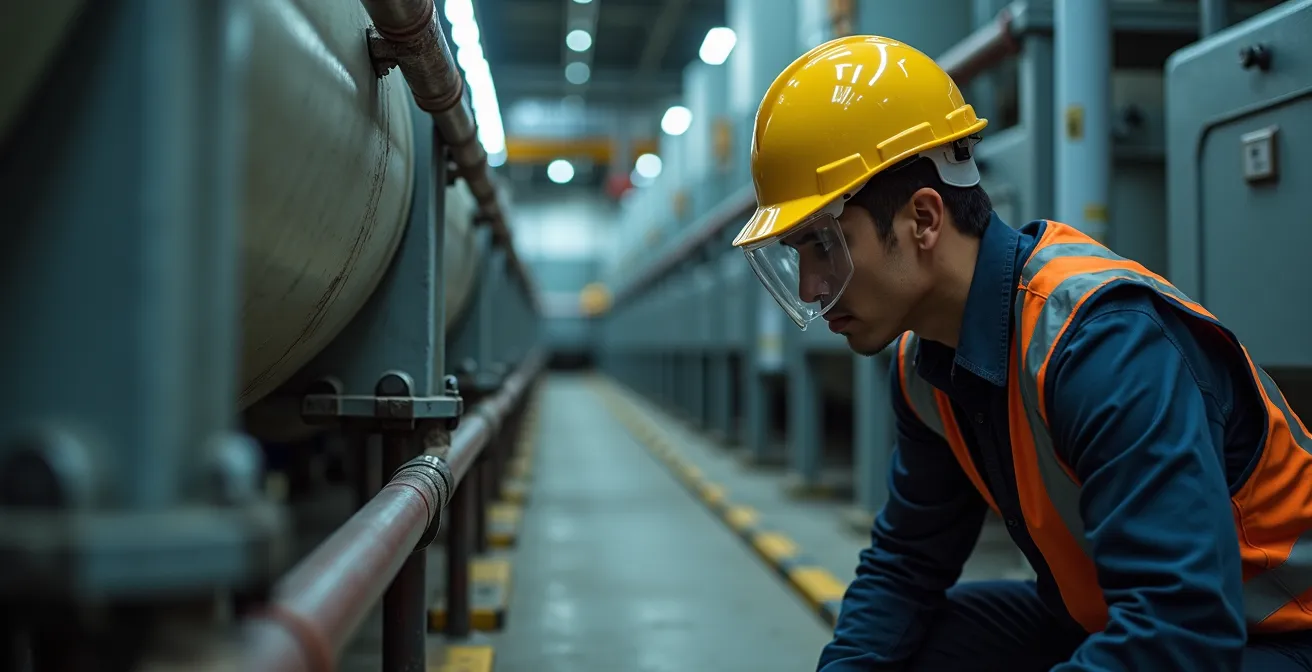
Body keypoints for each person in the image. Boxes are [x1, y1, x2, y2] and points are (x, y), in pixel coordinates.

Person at [730, 35, 1312, 671]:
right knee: (911, 648)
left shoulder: (1099, 342)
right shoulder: (922, 369)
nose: (813, 286)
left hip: (1273, 632)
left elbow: (1181, 628)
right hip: (1116, 615)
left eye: (827, 245)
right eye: (797, 255)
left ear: (924, 219)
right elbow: (906, 565)